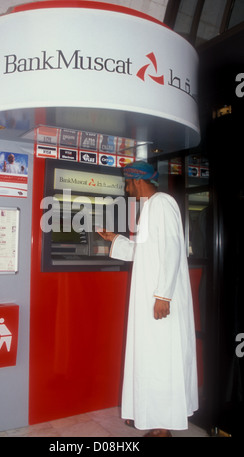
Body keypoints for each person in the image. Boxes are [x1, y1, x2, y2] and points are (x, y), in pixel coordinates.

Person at [99, 161, 198, 437]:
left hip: (160, 301)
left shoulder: (162, 203)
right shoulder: (151, 208)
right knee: (153, 361)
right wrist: (115, 240)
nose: (126, 188)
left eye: (127, 183)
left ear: (137, 181)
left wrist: (163, 296)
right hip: (152, 300)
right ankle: (157, 422)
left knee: (162, 361)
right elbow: (145, 254)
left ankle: (164, 427)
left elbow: (172, 250)